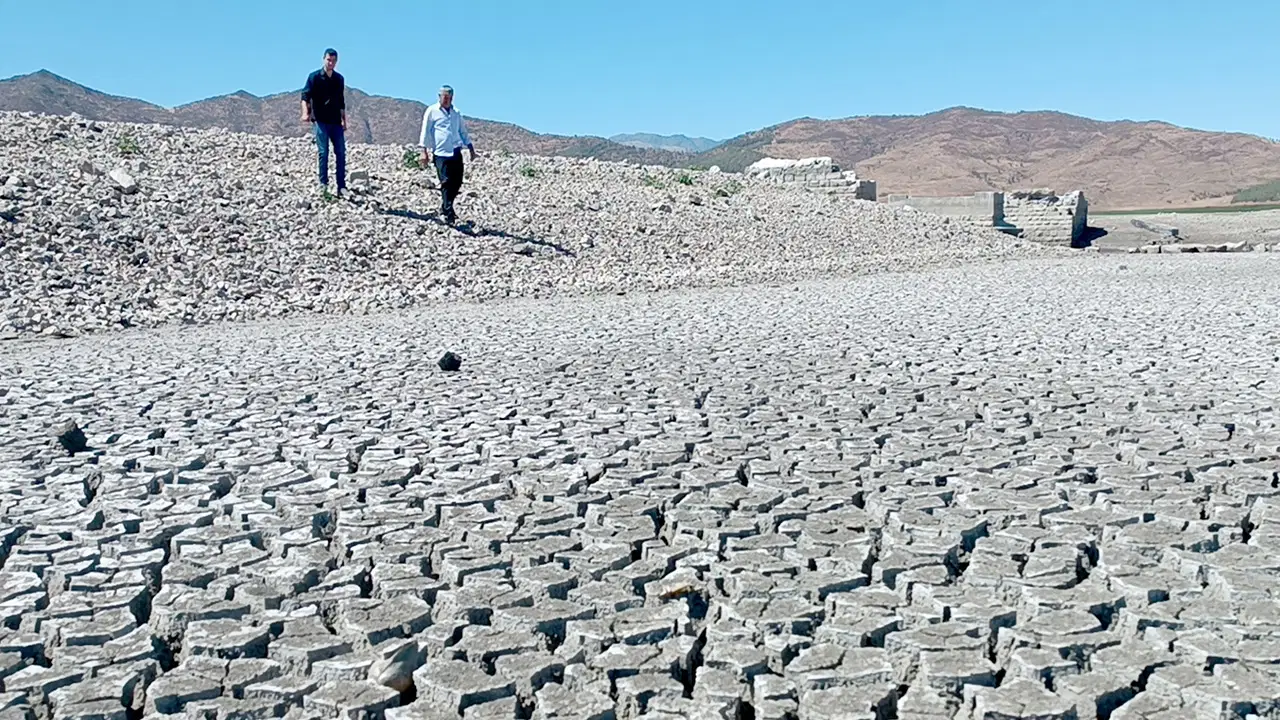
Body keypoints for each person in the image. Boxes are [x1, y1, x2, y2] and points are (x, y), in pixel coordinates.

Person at [418, 85, 477, 224]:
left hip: (456, 151)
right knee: (445, 181)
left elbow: (462, 131)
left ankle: (446, 205)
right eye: (443, 97)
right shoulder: (432, 111)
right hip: (440, 153)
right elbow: (425, 131)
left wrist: (471, 148)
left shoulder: (456, 113)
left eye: (448, 97)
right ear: (439, 96)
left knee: (457, 182)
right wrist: (423, 151)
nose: (446, 99)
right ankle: (448, 212)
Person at [301, 48, 347, 197]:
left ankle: (341, 186)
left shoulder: (339, 79)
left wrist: (344, 120)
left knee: (340, 152)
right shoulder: (314, 77)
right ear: (323, 59)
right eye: (329, 60)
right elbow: (305, 96)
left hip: (335, 121)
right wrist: (305, 112)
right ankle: (323, 184)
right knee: (323, 152)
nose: (331, 63)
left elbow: (341, 102)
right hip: (321, 120)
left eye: (333, 60)